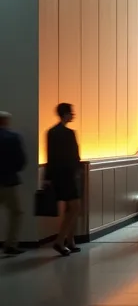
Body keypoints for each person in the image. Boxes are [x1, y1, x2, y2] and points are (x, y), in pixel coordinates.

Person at [45, 103, 82, 256]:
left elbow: (50, 155)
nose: (73, 115)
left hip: (57, 175)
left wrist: (48, 177)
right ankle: (61, 241)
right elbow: (74, 155)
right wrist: (77, 169)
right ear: (66, 114)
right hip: (68, 175)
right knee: (74, 207)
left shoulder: (51, 132)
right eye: (71, 113)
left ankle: (70, 241)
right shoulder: (69, 133)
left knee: (70, 208)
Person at [0, 112, 26, 255]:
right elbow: (21, 161)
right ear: (5, 121)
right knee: (16, 213)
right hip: (9, 181)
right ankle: (10, 244)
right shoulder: (13, 137)